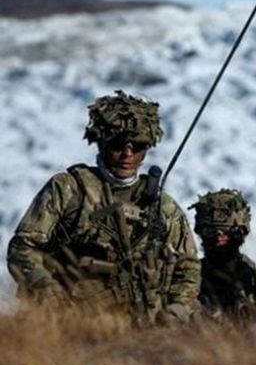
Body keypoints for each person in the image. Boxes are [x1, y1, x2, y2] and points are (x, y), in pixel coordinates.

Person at [7, 90, 200, 323]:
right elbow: (22, 247)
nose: (127, 154)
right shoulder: (69, 189)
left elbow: (188, 267)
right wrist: (47, 290)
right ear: (101, 143)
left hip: (145, 327)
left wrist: (176, 310)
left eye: (137, 146)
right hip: (69, 322)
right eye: (118, 145)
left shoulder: (162, 206)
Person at [190, 189, 256, 313]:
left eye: (227, 233)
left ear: (240, 235)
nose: (219, 239)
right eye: (211, 232)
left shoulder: (255, 279)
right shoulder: (189, 277)